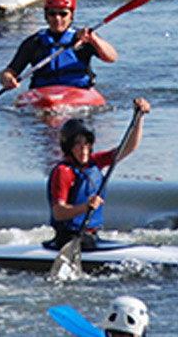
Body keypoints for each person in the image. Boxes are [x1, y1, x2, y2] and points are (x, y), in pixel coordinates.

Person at [46, 100, 148, 251]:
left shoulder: (95, 162)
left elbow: (128, 147)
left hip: (91, 236)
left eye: (87, 143)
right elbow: (59, 212)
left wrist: (139, 117)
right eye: (78, 144)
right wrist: (85, 207)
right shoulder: (63, 172)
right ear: (68, 147)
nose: (84, 149)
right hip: (68, 240)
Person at [1, 0, 116, 93]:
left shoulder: (84, 38)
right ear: (46, 15)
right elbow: (10, 71)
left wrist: (94, 39)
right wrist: (7, 78)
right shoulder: (34, 42)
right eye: (52, 14)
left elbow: (111, 58)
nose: (57, 18)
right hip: (44, 93)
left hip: (78, 91)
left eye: (63, 14)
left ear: (72, 15)